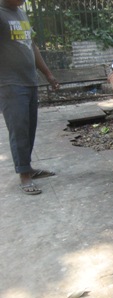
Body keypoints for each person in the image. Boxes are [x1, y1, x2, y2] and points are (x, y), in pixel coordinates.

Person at [0, 0, 59, 195]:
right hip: (10, 83)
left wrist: (48, 75)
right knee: (19, 129)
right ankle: (24, 175)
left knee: (29, 127)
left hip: (29, 81)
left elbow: (31, 46)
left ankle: (28, 168)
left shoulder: (21, 14)